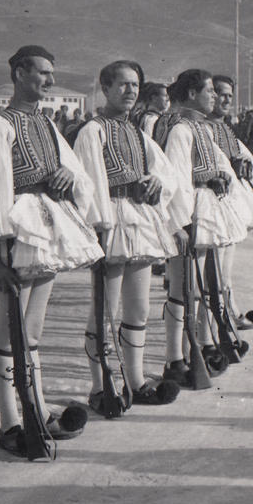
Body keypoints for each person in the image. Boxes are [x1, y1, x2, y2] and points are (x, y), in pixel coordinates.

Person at [0, 45, 102, 452]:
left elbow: (78, 173)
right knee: (9, 329)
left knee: (33, 329)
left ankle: (37, 410)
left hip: (47, 229)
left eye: (51, 73)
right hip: (16, 233)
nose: (49, 80)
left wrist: (67, 172)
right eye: (42, 72)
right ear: (19, 73)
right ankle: (11, 422)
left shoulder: (47, 125)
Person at [74, 60, 183, 410]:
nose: (130, 91)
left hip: (139, 220)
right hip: (110, 219)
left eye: (135, 85)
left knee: (137, 308)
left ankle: (136, 381)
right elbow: (88, 181)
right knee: (104, 310)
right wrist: (99, 226)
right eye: (122, 85)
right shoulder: (93, 130)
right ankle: (100, 385)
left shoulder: (137, 132)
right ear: (104, 89)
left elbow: (165, 171)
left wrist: (157, 181)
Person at [159, 69, 247, 386]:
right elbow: (178, 180)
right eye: (209, 90)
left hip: (207, 210)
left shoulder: (204, 130)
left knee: (201, 287)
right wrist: (179, 224)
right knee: (183, 290)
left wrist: (222, 176)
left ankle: (198, 346)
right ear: (192, 94)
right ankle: (175, 357)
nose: (214, 95)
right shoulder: (181, 131)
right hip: (191, 214)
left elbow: (220, 165)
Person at [207, 75, 253, 331]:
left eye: (230, 95)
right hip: (212, 204)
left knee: (225, 265)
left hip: (230, 204)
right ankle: (221, 319)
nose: (226, 99)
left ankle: (229, 312)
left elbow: (242, 157)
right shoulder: (202, 128)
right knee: (216, 268)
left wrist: (242, 164)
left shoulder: (225, 128)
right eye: (221, 93)